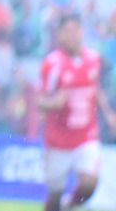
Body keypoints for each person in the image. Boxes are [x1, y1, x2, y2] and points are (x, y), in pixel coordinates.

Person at [40, 14, 116, 211]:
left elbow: (95, 89)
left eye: (76, 30)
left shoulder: (93, 59)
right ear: (61, 35)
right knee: (54, 197)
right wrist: (54, 103)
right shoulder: (52, 64)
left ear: (82, 32)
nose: (72, 35)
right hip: (58, 139)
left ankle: (71, 205)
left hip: (86, 135)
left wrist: (109, 114)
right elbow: (39, 101)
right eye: (67, 31)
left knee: (90, 182)